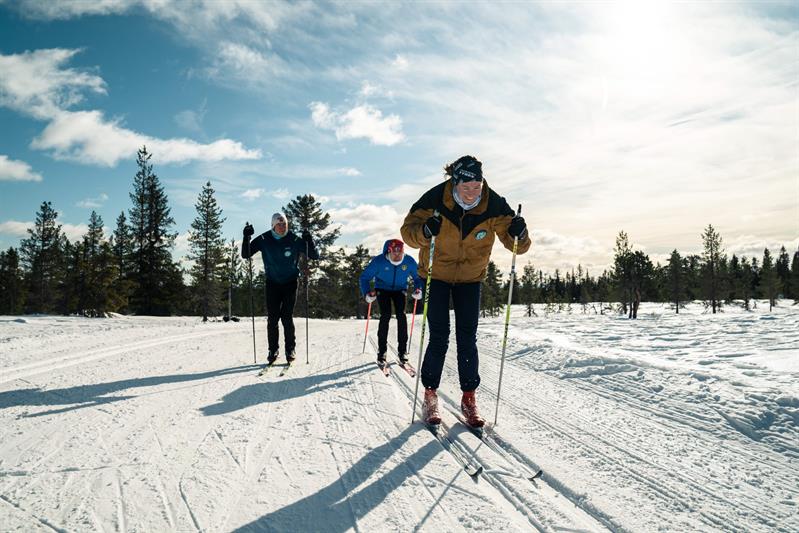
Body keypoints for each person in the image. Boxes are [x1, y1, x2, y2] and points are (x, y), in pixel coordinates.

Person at [400, 155, 530, 427]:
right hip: (435, 275)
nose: (472, 193)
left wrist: (520, 233)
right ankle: (430, 394)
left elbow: (517, 244)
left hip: (470, 278)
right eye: (466, 187)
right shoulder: (434, 199)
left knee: (467, 337)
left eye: (477, 186)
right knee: (439, 336)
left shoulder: (493, 204)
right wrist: (425, 231)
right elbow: (408, 233)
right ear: (455, 183)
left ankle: (468, 397)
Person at [242, 212, 319, 364]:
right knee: (272, 319)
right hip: (272, 283)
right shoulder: (264, 239)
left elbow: (314, 255)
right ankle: (273, 349)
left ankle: (290, 349)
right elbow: (246, 254)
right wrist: (246, 237)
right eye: (280, 224)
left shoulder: (294, 239)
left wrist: (310, 241)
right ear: (273, 226)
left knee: (286, 317)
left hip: (290, 282)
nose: (283, 227)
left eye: (285, 224)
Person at [359, 239, 423, 365]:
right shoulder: (379, 261)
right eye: (394, 252)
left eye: (400, 252)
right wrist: (367, 293)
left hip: (400, 289)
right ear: (389, 251)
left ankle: (402, 351)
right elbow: (364, 277)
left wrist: (418, 289)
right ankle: (382, 351)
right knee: (386, 315)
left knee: (401, 315)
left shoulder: (408, 261)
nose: (398, 255)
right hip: (382, 289)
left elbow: (417, 277)